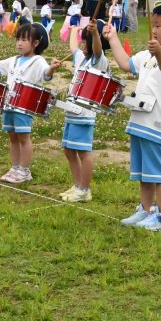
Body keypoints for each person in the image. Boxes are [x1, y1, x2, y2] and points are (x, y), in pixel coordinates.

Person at [103, 1, 161, 231]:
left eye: (158, 25)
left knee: (160, 172)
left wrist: (159, 51)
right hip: (140, 120)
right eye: (152, 24)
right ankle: (146, 209)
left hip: (159, 123)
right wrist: (112, 38)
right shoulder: (148, 55)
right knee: (144, 171)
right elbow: (125, 64)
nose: (154, 29)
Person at [0, 22, 61, 184]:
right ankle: (15, 167)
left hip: (24, 108)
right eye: (18, 39)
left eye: (24, 40)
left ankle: (24, 170)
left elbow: (46, 74)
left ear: (35, 43)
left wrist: (52, 68)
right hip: (8, 105)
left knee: (23, 138)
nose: (19, 43)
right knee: (13, 138)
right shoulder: (14, 60)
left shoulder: (38, 61)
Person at [60, 19, 108, 202]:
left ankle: (85, 189)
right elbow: (73, 45)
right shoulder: (81, 58)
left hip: (84, 114)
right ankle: (78, 185)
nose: (81, 44)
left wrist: (94, 33)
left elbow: (97, 48)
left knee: (83, 152)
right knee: (68, 150)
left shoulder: (99, 61)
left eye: (84, 40)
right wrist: (74, 26)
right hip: (71, 112)